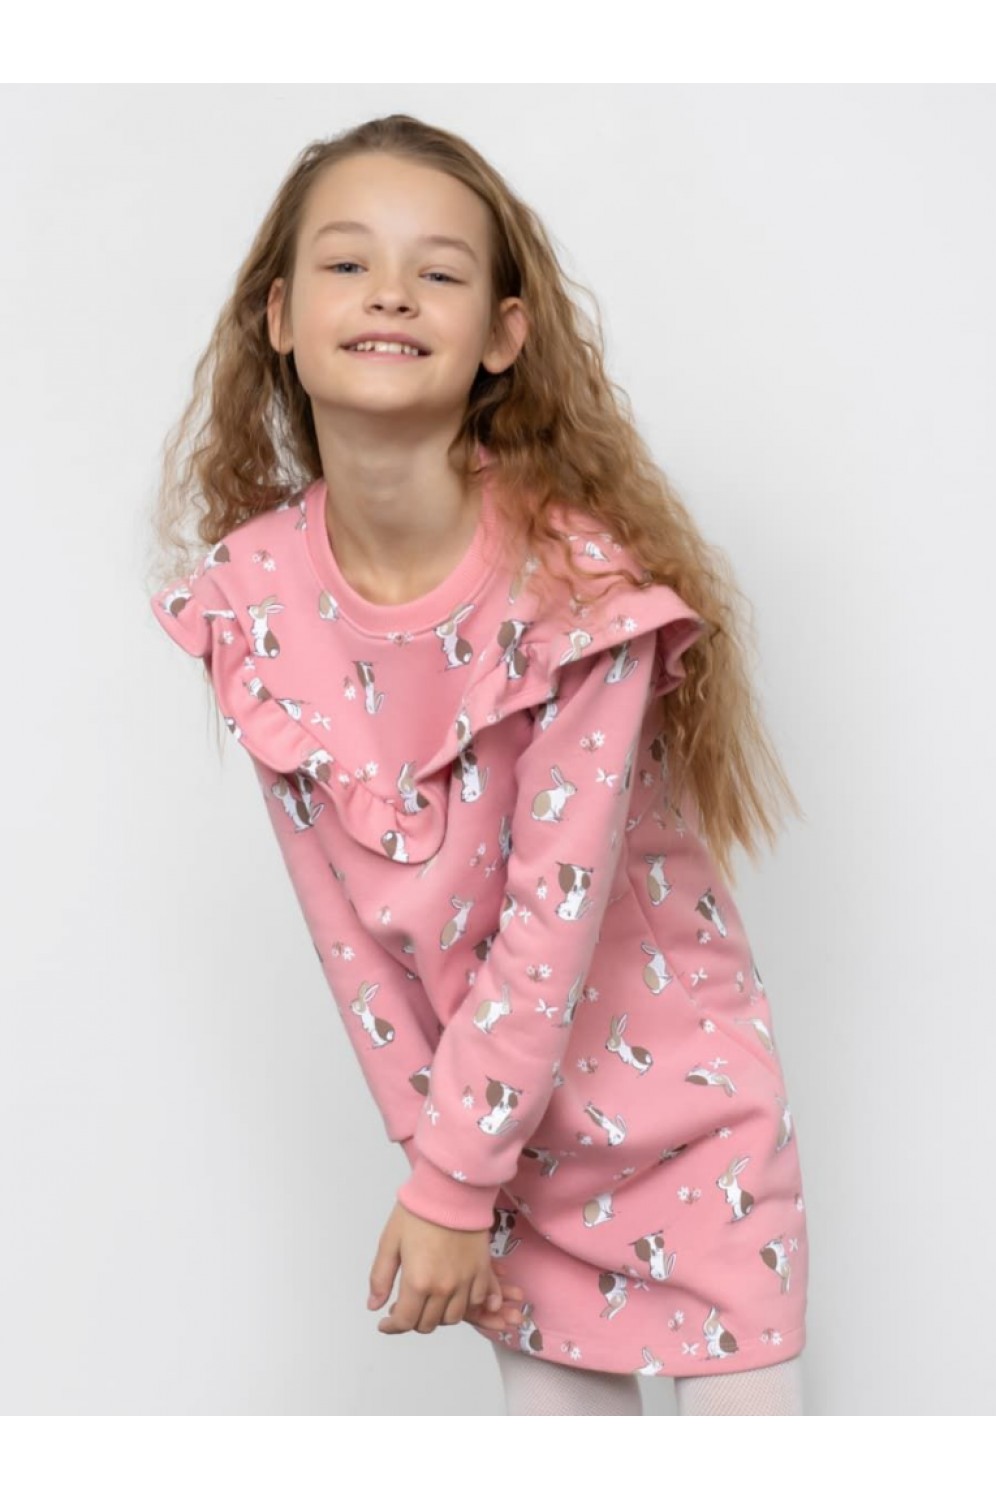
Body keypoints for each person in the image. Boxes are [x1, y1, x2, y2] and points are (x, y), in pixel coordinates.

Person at [147, 113, 809, 1417]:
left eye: (438, 271)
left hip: (684, 1114)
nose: (390, 292)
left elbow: (550, 916)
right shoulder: (255, 600)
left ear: (503, 334)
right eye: (348, 263)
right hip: (494, 1136)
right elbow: (349, 939)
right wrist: (446, 1165)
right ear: (279, 316)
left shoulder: (574, 587)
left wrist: (449, 1182)